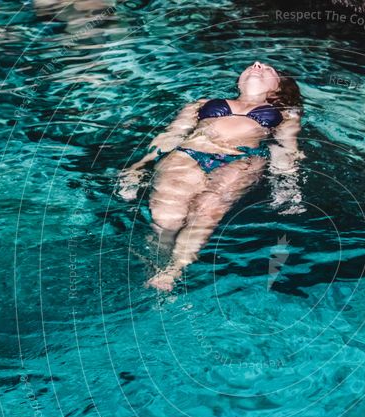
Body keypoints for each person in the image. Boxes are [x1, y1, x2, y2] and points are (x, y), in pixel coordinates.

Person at [118, 61, 304, 292]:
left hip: (242, 160)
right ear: (239, 81)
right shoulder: (202, 104)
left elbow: (287, 148)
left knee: (206, 214)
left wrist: (287, 185)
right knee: (166, 220)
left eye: (268, 69)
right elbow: (171, 135)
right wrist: (138, 167)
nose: (257, 64)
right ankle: (154, 265)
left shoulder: (286, 114)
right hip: (189, 154)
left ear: (278, 87)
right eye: (254, 65)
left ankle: (173, 272)